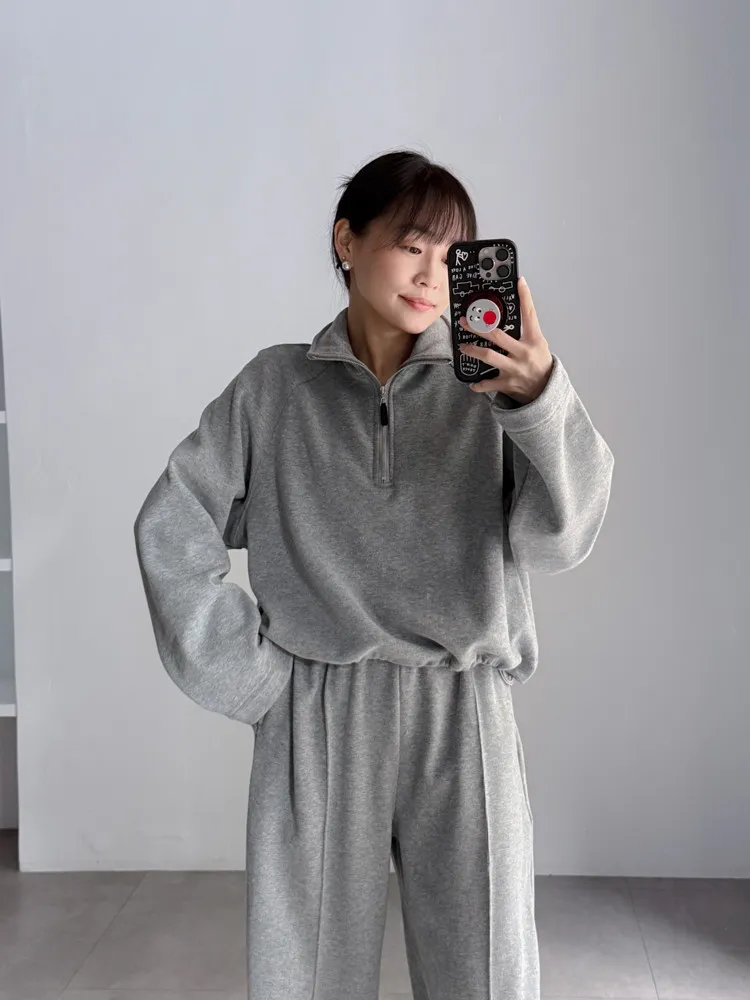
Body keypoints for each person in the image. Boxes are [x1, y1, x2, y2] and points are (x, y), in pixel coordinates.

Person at [134, 149, 614, 1000]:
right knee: (307, 974)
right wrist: (255, 681)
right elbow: (173, 522)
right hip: (318, 710)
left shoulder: (495, 393)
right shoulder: (273, 387)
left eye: (451, 254)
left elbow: (562, 539)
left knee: (486, 974)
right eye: (411, 245)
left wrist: (540, 398)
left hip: (461, 708)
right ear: (347, 241)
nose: (432, 275)